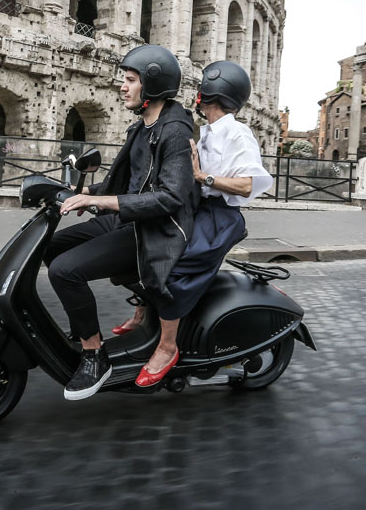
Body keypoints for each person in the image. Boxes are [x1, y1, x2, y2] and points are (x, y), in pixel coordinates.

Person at [44, 44, 198, 401]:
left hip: (155, 230)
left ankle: (95, 356)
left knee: (64, 271)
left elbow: (170, 197)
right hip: (127, 218)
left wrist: (98, 201)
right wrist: (80, 191)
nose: (122, 86)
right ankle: (82, 328)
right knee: (53, 248)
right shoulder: (143, 125)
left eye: (129, 80)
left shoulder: (174, 131)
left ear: (153, 85)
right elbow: (128, 183)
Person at [112, 61, 273, 351]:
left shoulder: (238, 133)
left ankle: (168, 346)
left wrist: (203, 177)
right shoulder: (207, 130)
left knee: (172, 267)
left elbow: (247, 185)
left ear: (212, 94)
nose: (197, 94)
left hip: (219, 217)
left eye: (201, 90)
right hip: (197, 208)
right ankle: (143, 312)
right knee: (142, 247)